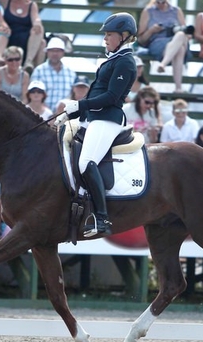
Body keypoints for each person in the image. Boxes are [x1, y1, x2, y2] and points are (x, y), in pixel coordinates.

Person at [56, 12, 137, 237]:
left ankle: (101, 218)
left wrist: (80, 105)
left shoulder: (126, 62)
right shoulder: (113, 59)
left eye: (109, 35)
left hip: (108, 119)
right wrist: (74, 115)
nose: (105, 39)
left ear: (124, 36)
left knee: (86, 162)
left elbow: (111, 97)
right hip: (95, 118)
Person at [137, 0, 191, 93]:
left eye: (163, 2)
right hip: (157, 44)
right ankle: (178, 87)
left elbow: (187, 33)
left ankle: (163, 64)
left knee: (181, 37)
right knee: (180, 49)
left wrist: (176, 30)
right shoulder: (148, 11)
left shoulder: (176, 11)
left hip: (176, 42)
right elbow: (141, 40)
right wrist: (151, 30)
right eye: (158, 2)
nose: (161, 4)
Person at [30, 37, 76, 112]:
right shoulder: (38, 71)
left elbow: (73, 96)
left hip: (64, 115)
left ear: (63, 53)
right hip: (42, 115)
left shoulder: (71, 73)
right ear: (47, 52)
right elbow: (32, 94)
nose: (55, 53)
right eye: (52, 51)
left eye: (58, 51)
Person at [0, 0, 45, 74]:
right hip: (9, 36)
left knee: (40, 35)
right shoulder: (6, 2)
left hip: (28, 39)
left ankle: (29, 63)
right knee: (2, 34)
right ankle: (0, 60)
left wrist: (37, 23)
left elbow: (36, 18)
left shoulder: (32, 5)